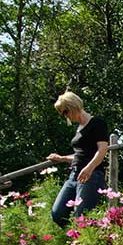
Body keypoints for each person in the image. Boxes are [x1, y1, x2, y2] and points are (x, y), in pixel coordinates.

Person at [46, 91, 110, 227]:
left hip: (91, 175)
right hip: (74, 175)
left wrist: (89, 168)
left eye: (65, 112)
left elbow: (102, 149)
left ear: (72, 107)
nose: (65, 116)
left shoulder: (97, 123)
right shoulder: (79, 129)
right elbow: (81, 155)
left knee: (81, 217)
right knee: (58, 213)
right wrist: (62, 158)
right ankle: (76, 239)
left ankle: (84, 243)